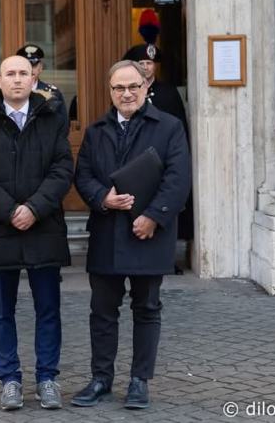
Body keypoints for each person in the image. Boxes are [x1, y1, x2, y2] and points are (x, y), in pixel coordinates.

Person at [72, 60, 191, 410]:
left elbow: (178, 178)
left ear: (145, 86)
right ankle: (101, 379)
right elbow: (84, 176)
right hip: (108, 231)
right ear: (110, 92)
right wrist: (101, 197)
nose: (126, 93)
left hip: (149, 234)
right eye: (119, 88)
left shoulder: (169, 127)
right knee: (102, 310)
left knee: (147, 308)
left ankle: (140, 381)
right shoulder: (96, 131)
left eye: (133, 86)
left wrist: (153, 217)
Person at [0, 55, 74, 411]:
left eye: (24, 73)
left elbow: (61, 168)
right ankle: (9, 378)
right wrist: (10, 211)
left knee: (48, 308)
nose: (17, 80)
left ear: (34, 79)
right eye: (10, 74)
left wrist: (34, 208)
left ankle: (47, 379)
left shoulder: (52, 117)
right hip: (0, 225)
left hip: (44, 226)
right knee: (1, 310)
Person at [122, 9, 193, 270]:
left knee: (166, 207)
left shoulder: (167, 92)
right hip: (136, 162)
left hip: (164, 158)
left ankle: (168, 258)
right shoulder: (126, 91)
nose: (146, 67)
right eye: (141, 63)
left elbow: (180, 125)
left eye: (150, 63)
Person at [16, 43, 69, 126]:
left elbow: (63, 125)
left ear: (40, 67)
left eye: (33, 65)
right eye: (26, 65)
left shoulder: (53, 93)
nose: (30, 69)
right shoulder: (11, 91)